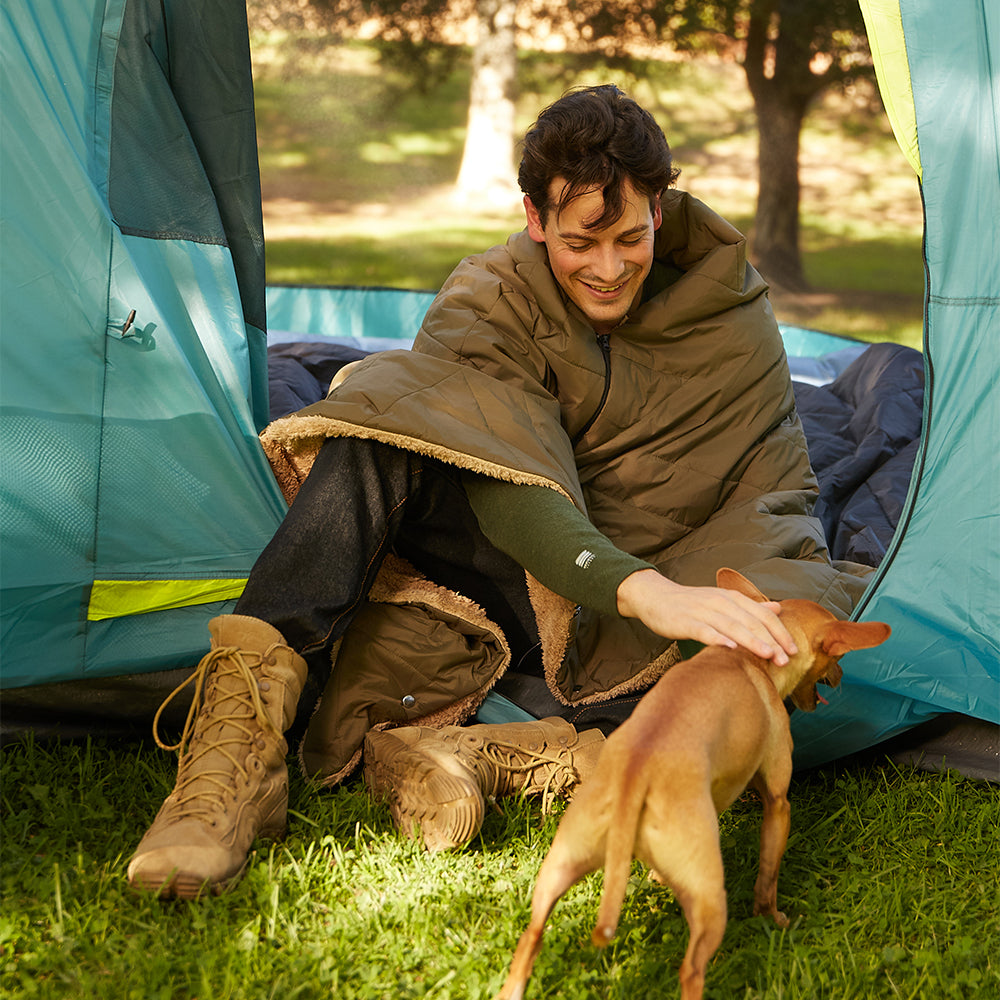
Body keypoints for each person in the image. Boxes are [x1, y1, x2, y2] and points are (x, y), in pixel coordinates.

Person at [127, 85, 868, 898]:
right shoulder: (489, 300)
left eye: (631, 236)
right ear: (535, 217)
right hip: (508, 569)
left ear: (660, 209)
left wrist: (758, 605)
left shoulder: (730, 305)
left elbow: (767, 484)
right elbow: (501, 479)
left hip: (644, 586)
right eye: (583, 241)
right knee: (391, 412)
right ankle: (234, 760)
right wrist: (642, 590)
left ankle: (484, 752)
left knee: (765, 657)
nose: (611, 267)